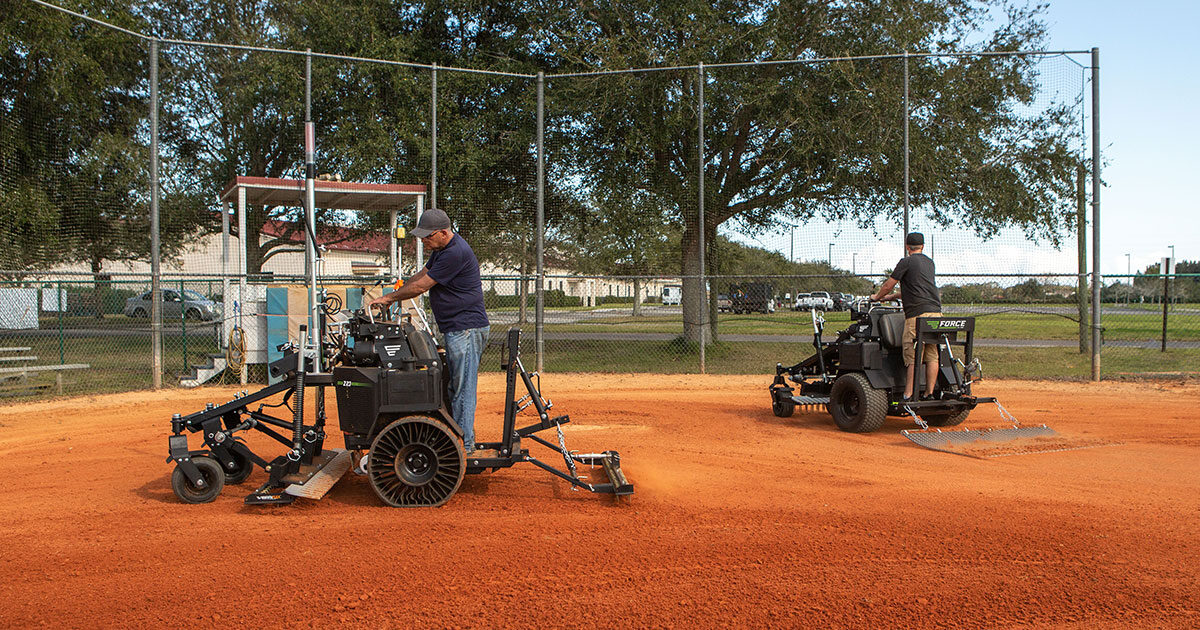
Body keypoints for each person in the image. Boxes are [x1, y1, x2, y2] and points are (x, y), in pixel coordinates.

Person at [369, 208, 490, 453]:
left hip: (466, 329)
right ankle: (456, 439)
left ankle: (464, 446)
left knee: (462, 388)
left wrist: (390, 298)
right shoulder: (441, 250)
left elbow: (422, 286)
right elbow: (422, 275)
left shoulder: (454, 252)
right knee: (453, 386)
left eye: (428, 236)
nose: (424, 240)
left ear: (444, 233)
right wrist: (401, 285)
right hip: (457, 328)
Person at [870, 232, 942, 402]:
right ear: (923, 246)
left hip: (917, 315)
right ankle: (929, 393)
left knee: (913, 355)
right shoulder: (929, 263)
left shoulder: (906, 262)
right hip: (935, 313)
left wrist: (877, 297)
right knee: (932, 355)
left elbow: (889, 285)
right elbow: (916, 290)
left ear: (907, 247)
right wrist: (892, 297)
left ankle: (908, 395)